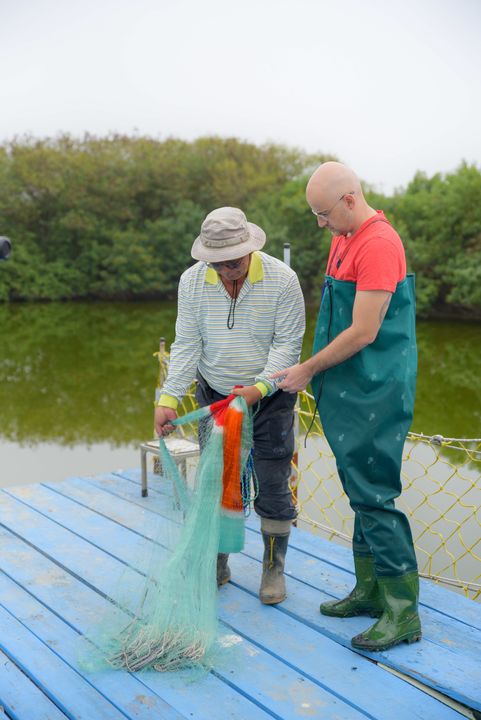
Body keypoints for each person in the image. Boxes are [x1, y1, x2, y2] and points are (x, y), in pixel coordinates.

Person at [271, 162, 421, 651]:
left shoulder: (378, 244)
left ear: (351, 200)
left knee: (375, 495)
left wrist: (308, 369)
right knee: (360, 488)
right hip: (350, 385)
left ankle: (403, 613)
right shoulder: (345, 235)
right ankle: (370, 590)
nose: (320, 224)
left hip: (376, 387)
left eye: (323, 213)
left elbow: (364, 332)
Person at [154, 206, 305, 605]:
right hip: (215, 397)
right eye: (216, 264)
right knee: (217, 480)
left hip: (269, 397)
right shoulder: (191, 282)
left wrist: (259, 387)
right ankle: (217, 560)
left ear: (250, 248)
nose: (226, 271)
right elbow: (187, 344)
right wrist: (169, 397)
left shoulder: (283, 279)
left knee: (273, 482)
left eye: (233, 263)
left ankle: (273, 569)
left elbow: (288, 347)